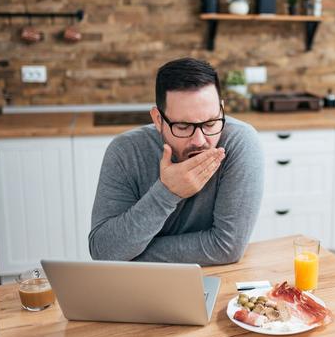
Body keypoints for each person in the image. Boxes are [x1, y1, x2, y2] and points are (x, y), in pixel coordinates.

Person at [89, 57, 264, 265]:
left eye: (210, 123)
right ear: (158, 119)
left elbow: (226, 247)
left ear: (221, 109)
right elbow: (103, 250)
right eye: (182, 127)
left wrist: (130, 255)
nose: (199, 141)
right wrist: (167, 192)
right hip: (139, 283)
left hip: (216, 276)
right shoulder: (126, 152)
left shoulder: (240, 142)